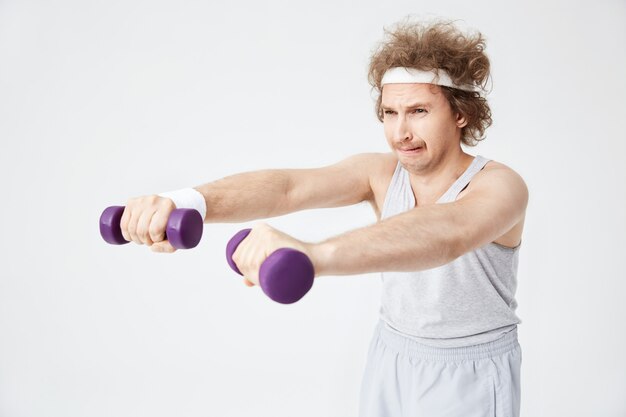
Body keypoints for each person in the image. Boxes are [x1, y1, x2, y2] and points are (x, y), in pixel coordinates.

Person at [119, 17, 528, 417]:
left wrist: (312, 257)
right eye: (389, 112)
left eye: (418, 111)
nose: (399, 131)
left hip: (468, 371)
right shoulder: (382, 173)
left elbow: (449, 232)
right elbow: (288, 187)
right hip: (391, 353)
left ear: (461, 113)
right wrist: (186, 201)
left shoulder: (501, 187)